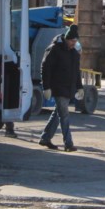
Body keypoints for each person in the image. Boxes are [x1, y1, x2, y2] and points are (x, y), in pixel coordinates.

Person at [38, 24, 84, 152]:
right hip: (58, 87)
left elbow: (77, 72)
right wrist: (46, 87)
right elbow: (45, 68)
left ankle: (45, 138)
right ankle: (68, 144)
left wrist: (80, 87)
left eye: (75, 41)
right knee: (64, 115)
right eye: (72, 41)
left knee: (57, 113)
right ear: (66, 39)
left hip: (69, 89)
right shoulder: (54, 49)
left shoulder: (74, 54)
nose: (73, 43)